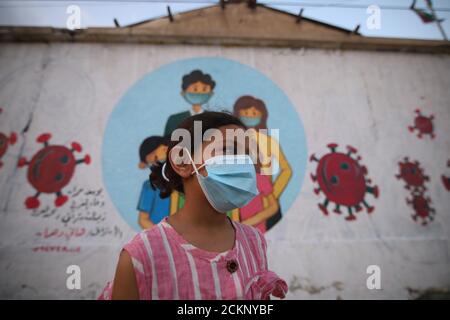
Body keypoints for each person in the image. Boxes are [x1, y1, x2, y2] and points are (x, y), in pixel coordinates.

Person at [99, 112, 287, 300]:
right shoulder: (142, 254)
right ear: (182, 163)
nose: (243, 162)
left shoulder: (254, 241)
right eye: (228, 150)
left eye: (248, 155)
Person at [136, 136, 170, 229]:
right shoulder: (150, 186)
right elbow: (143, 219)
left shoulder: (184, 183)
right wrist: (161, 236)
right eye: (155, 160)